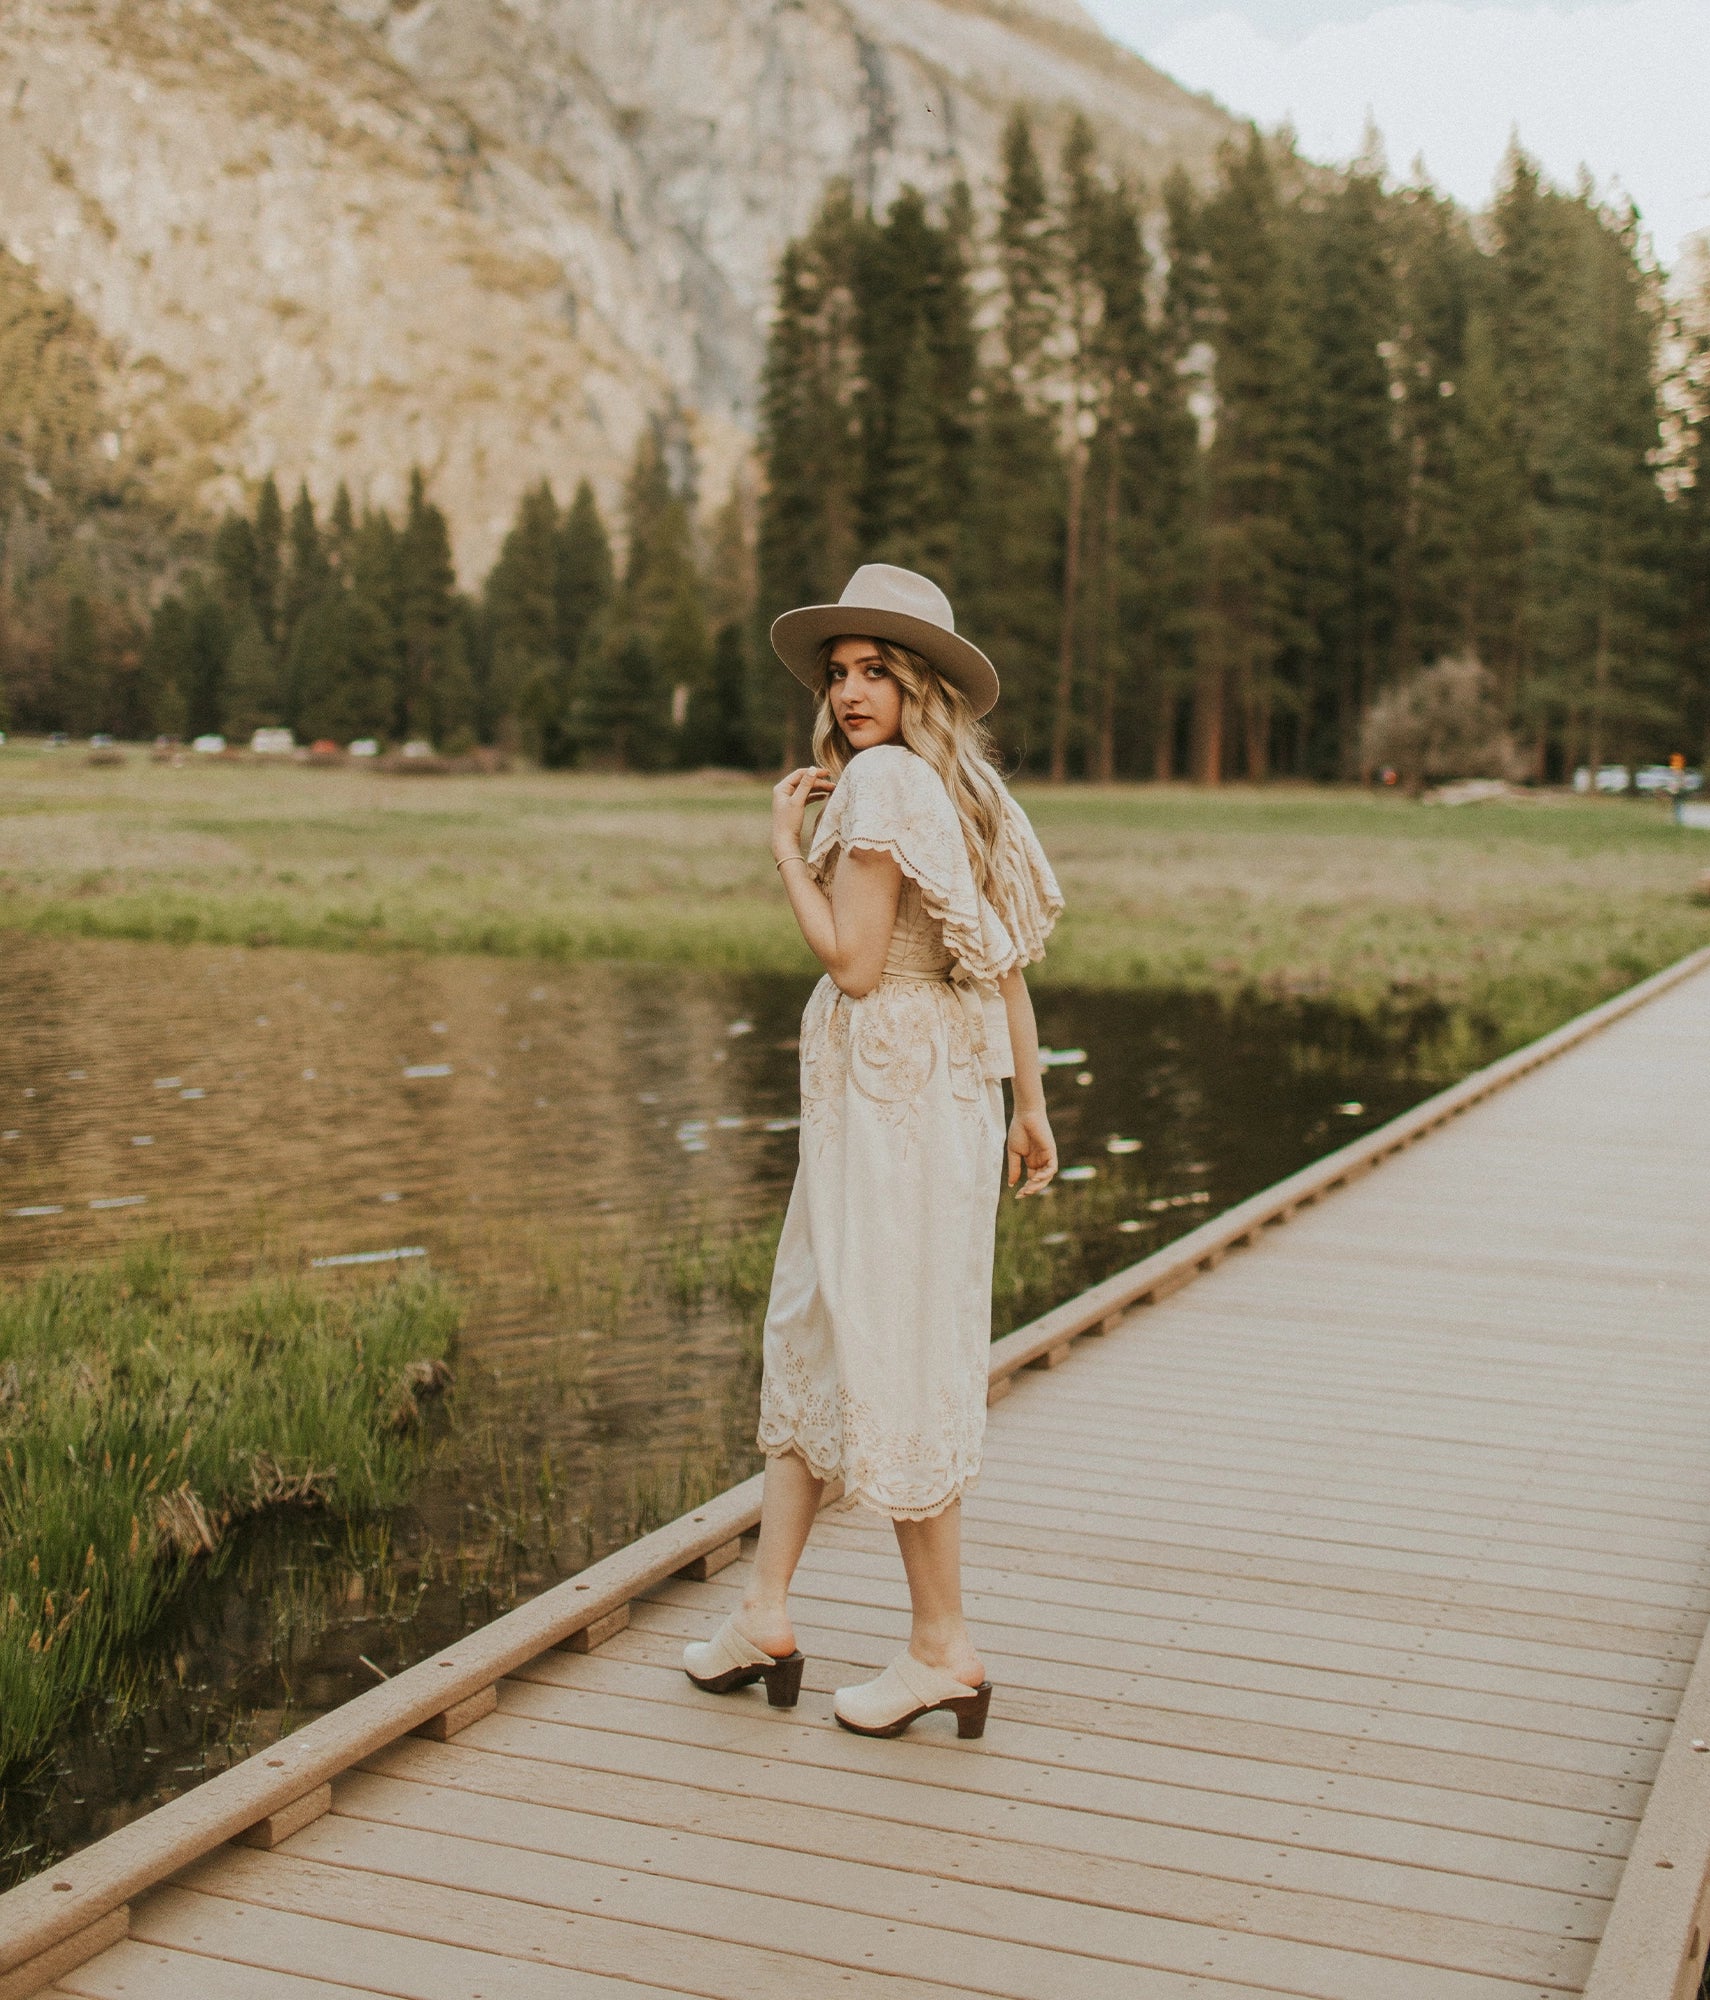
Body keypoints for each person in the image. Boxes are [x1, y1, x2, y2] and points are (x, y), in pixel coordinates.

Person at [682, 564, 1062, 1740]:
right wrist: (1032, 1104)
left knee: (886, 1343)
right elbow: (1003, 968)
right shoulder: (965, 789)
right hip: (930, 1095)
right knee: (815, 1323)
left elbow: (852, 961)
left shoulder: (887, 784)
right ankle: (766, 1607)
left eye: (876, 669)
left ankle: (943, 1644)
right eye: (839, 672)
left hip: (892, 1102)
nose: (850, 691)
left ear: (922, 683)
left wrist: (784, 847)